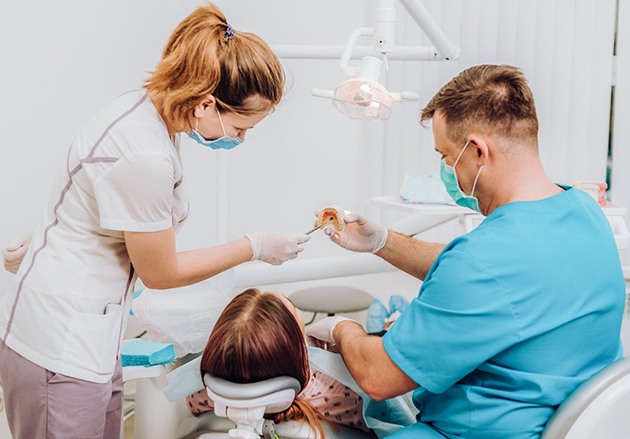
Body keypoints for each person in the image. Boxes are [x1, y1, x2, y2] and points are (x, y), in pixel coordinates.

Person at [0, 4, 310, 438]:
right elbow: (161, 272)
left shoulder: (148, 115)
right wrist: (254, 246)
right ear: (206, 104)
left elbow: (97, 200)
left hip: (92, 332)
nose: (241, 138)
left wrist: (55, 236)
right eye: (242, 127)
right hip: (61, 342)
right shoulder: (145, 154)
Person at [305, 64, 626, 438]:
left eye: (445, 156)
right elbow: (498, 276)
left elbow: (378, 376)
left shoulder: (483, 262)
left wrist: (344, 329)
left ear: (477, 151)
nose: (445, 169)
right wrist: (382, 242)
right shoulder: (583, 211)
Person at [185, 288, 370, 437]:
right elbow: (387, 412)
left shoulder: (206, 393)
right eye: (293, 309)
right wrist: (345, 338)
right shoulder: (341, 393)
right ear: (293, 345)